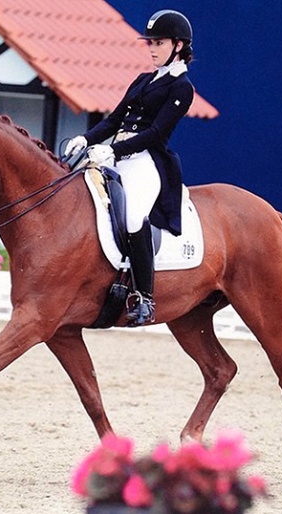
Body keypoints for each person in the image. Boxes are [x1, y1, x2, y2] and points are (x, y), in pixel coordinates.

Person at [66, 9, 195, 326]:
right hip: (116, 156)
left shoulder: (181, 88)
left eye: (159, 42)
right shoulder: (143, 80)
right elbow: (113, 120)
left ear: (178, 45)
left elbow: (156, 134)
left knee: (135, 216)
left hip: (147, 160)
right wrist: (84, 139)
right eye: (150, 42)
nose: (151, 48)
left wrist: (112, 149)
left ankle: (145, 298)